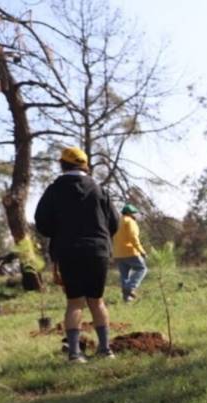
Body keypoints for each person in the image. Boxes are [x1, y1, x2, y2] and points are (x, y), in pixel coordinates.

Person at [35, 147, 120, 362]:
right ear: (85, 165)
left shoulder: (54, 190)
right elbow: (115, 222)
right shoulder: (100, 189)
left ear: (62, 164)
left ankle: (74, 353)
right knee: (97, 300)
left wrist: (60, 233)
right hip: (97, 250)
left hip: (68, 250)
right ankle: (105, 349)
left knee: (75, 302)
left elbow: (42, 223)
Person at [113, 203, 148, 301]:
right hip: (130, 252)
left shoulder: (117, 221)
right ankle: (130, 288)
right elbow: (133, 237)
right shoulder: (130, 221)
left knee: (125, 275)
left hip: (118, 253)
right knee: (142, 269)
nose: (136, 215)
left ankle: (127, 299)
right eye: (135, 213)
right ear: (130, 213)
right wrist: (141, 250)